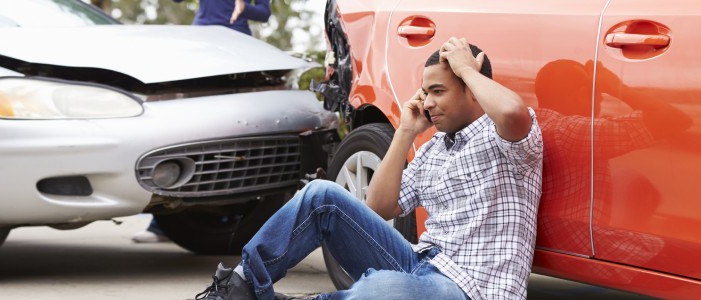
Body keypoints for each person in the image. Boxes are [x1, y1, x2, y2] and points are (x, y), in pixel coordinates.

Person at [193, 37, 543, 300]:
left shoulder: (504, 138)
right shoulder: (434, 148)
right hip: (418, 263)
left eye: (438, 91)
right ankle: (240, 287)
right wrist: (405, 131)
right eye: (425, 92)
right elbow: (378, 207)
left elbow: (512, 112)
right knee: (321, 195)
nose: (429, 102)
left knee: (379, 289)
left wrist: (467, 67)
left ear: (473, 90)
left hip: (468, 289)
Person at [132, 0, 272, 244]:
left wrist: (243, 8)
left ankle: (231, 215)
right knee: (188, 126)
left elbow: (264, 12)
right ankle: (161, 223)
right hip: (201, 42)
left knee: (229, 131)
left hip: (235, 46)